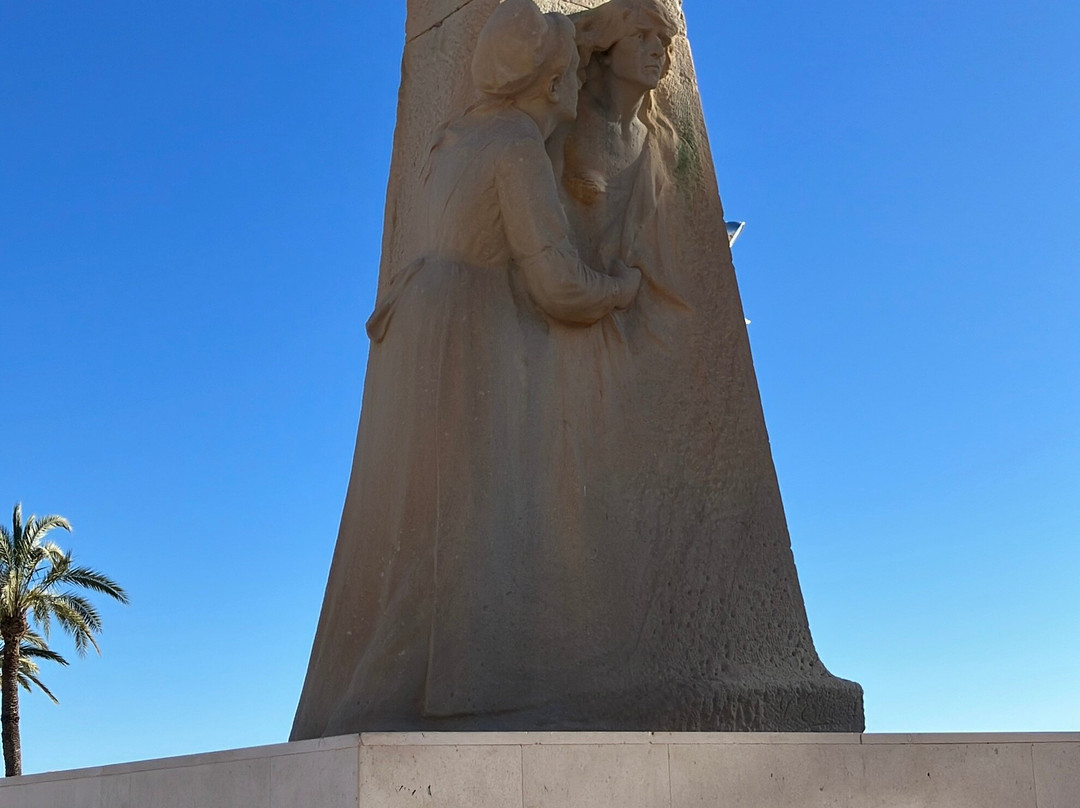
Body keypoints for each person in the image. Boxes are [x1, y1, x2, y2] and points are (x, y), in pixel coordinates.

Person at [292, 0, 641, 737]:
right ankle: (407, 698)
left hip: (421, 324)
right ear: (550, 82)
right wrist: (622, 288)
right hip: (466, 330)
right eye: (573, 70)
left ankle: (391, 697)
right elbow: (557, 283)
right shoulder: (515, 147)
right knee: (463, 514)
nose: (581, 82)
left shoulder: (459, 137)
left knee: (426, 512)